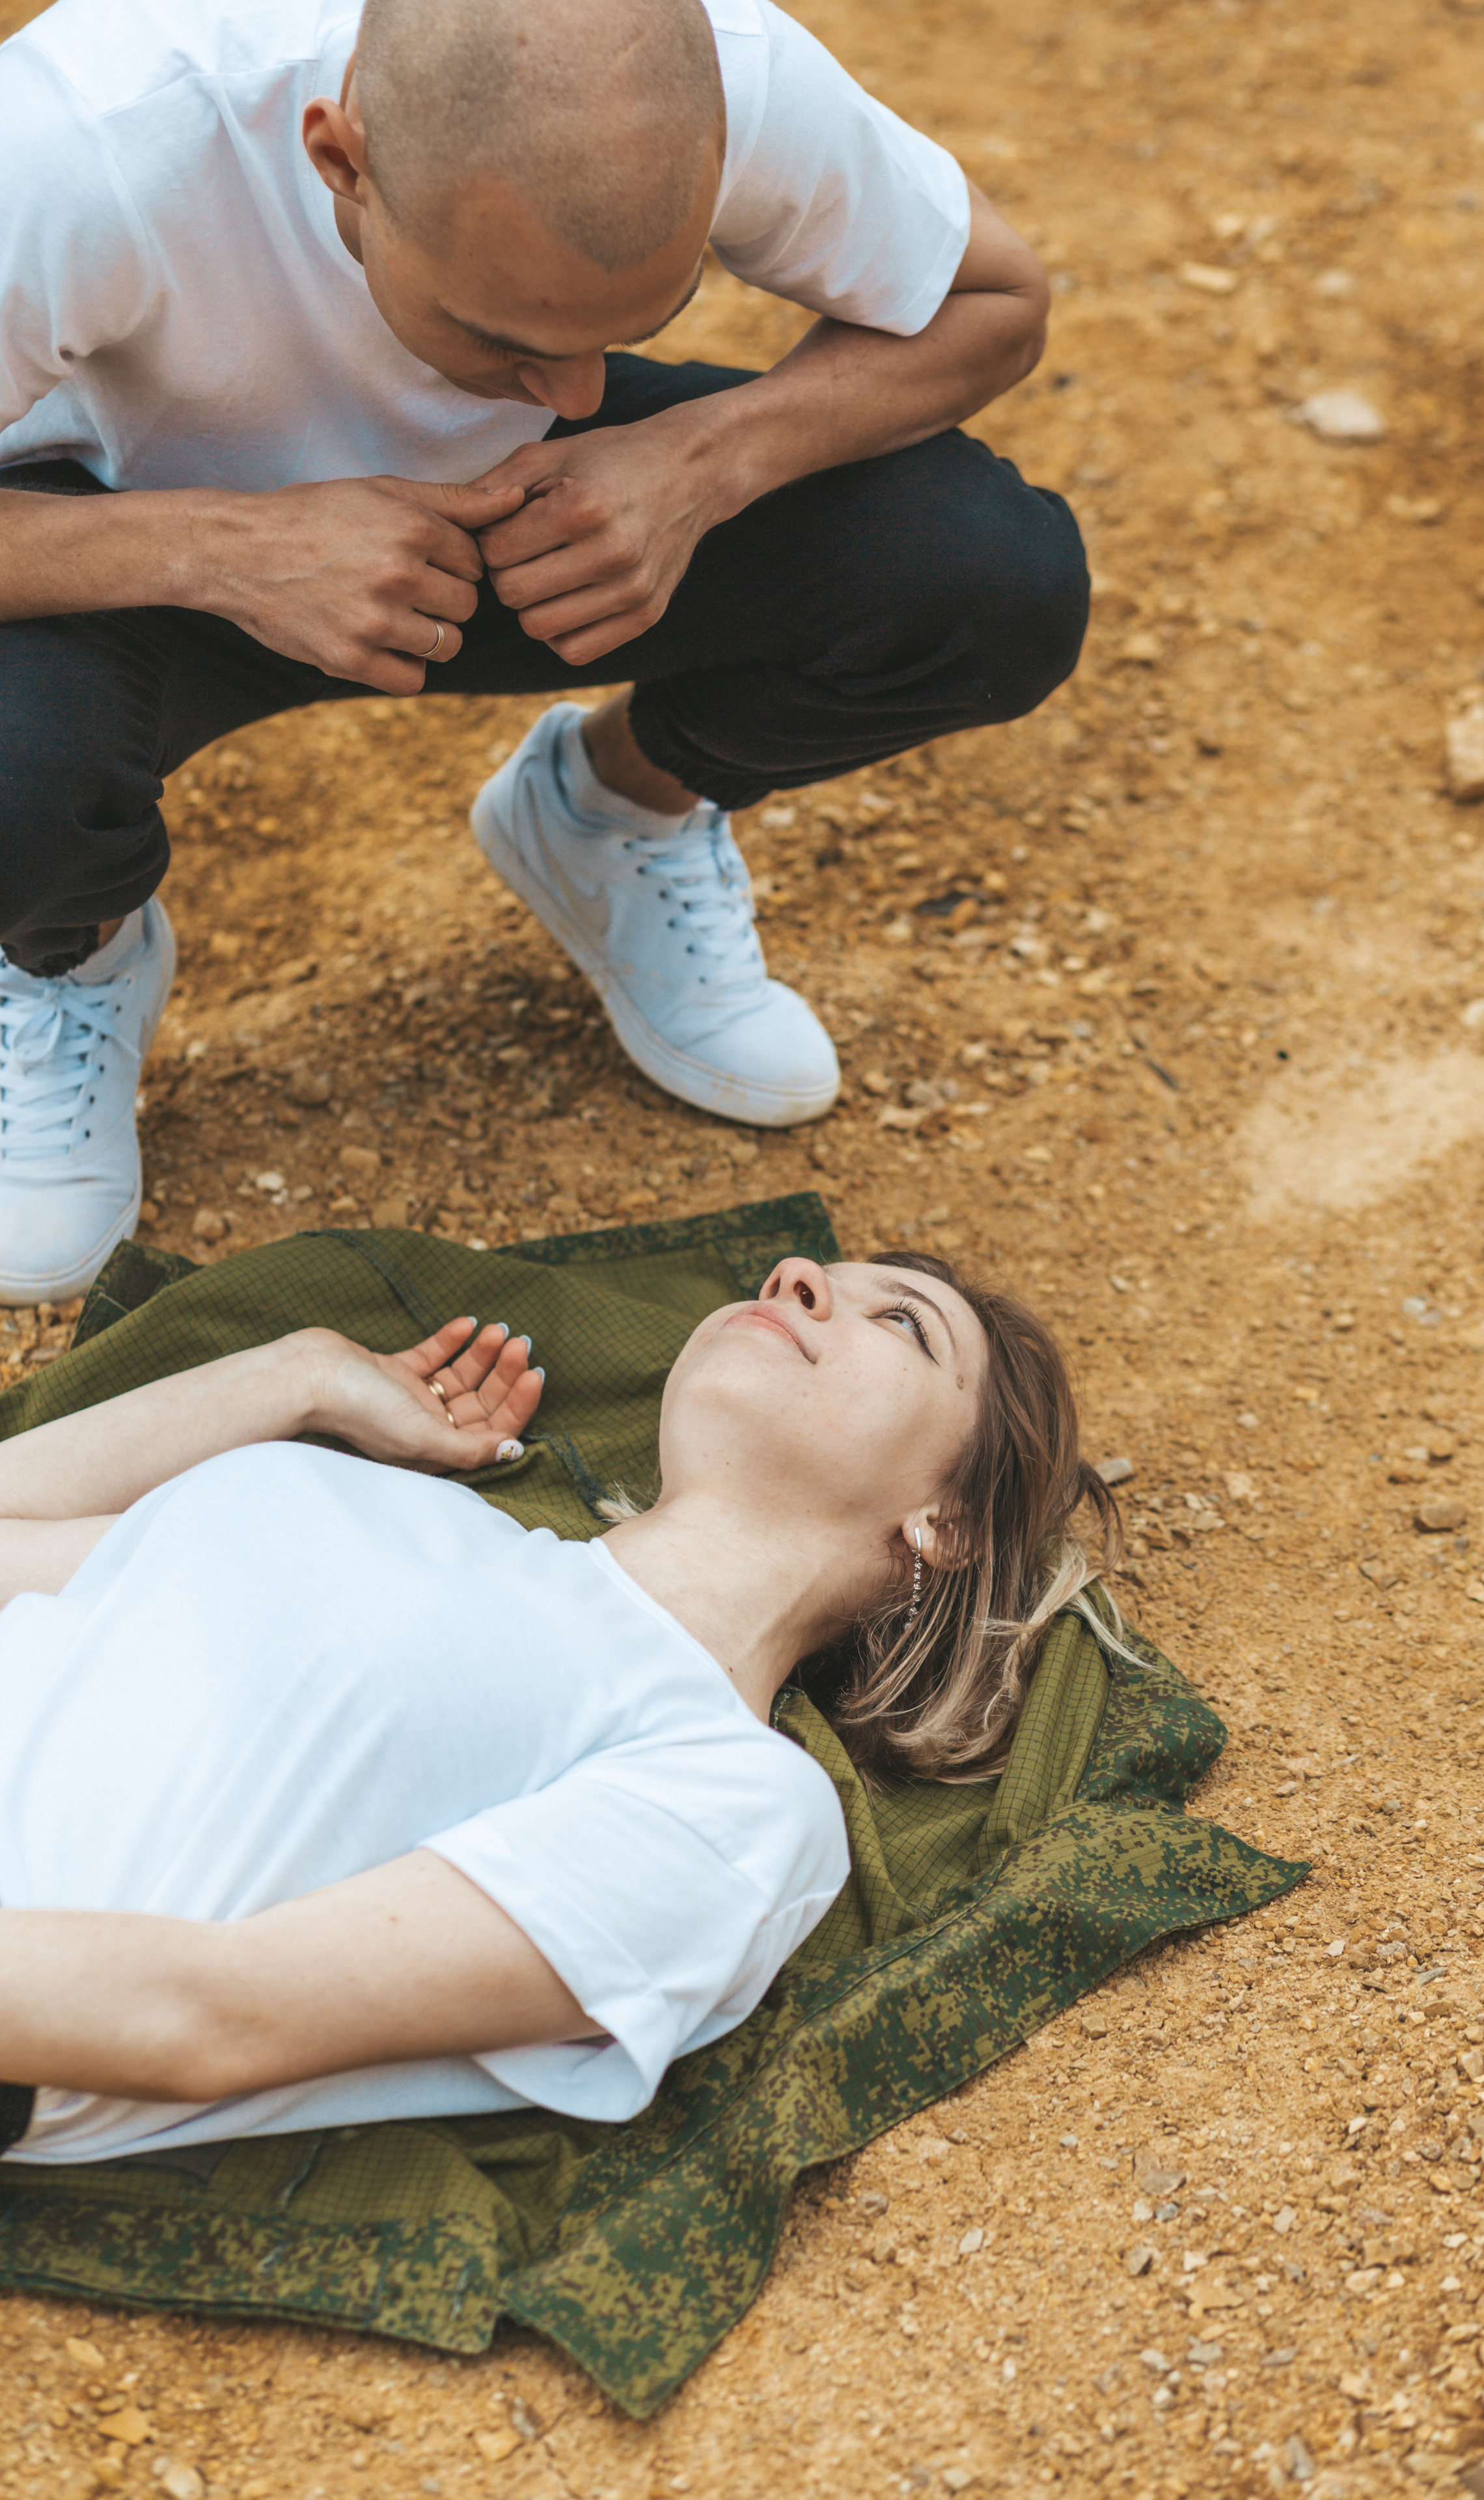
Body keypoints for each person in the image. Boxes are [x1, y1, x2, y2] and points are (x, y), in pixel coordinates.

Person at [0, 0, 1090, 1305]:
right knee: (18, 768)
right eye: (506, 337)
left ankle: (609, 811)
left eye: (626, 326)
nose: (578, 391)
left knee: (984, 575)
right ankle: (75, 950)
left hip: (534, 523)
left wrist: (700, 462)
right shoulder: (84, 146)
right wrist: (227, 551)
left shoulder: (721, 77)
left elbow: (995, 298)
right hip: (122, 528)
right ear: (340, 158)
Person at [0, 1251, 1116, 2166]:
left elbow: (212, 2015)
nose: (798, 1279)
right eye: (812, 1273)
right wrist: (299, 1373)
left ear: (949, 1523)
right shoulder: (382, 1504)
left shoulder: (740, 1800)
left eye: (906, 1325)